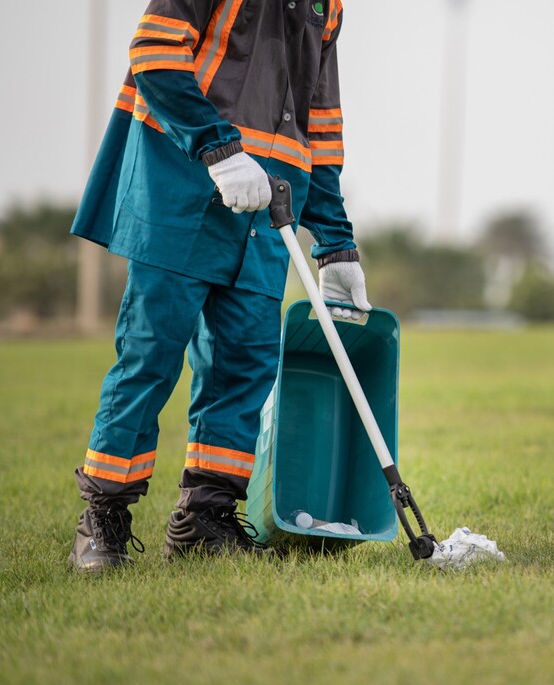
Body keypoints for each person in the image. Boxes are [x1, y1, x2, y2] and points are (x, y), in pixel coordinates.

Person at [68, 0, 371, 572]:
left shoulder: (326, 6)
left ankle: (204, 518)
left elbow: (321, 127)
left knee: (245, 364)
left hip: (267, 210)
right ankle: (102, 520)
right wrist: (219, 148)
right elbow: (155, 54)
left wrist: (335, 240)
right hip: (180, 188)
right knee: (149, 358)